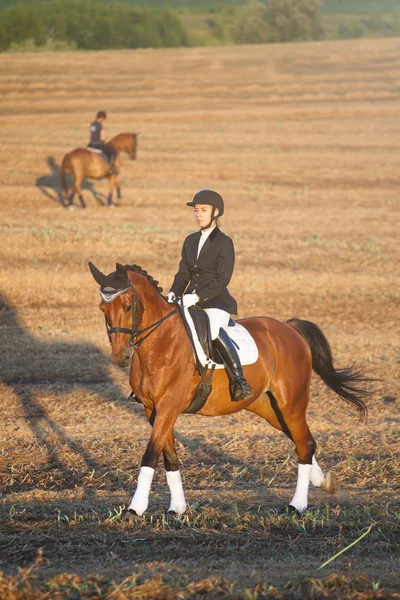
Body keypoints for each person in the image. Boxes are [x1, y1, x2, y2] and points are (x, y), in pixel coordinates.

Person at [167, 189, 252, 402]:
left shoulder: (224, 243)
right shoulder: (190, 240)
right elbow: (183, 274)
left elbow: (223, 279)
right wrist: (172, 293)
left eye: (203, 210)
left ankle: (239, 380)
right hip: (188, 300)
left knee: (212, 329)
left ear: (215, 213)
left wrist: (197, 297)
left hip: (216, 301)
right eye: (196, 211)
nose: (198, 214)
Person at [88, 111, 118, 175]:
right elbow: (103, 138)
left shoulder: (92, 124)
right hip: (97, 144)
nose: (103, 120)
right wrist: (104, 141)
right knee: (113, 151)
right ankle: (111, 169)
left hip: (91, 144)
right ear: (101, 117)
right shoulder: (100, 126)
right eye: (103, 119)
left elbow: (90, 135)